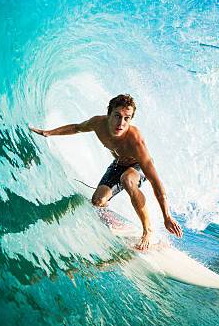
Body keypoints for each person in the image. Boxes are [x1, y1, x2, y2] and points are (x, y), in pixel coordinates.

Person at [29, 94, 182, 250]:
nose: (121, 123)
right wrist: (48, 133)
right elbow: (76, 128)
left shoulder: (136, 142)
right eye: (117, 116)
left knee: (127, 179)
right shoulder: (98, 123)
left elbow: (156, 182)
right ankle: (111, 219)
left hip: (137, 167)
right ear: (109, 114)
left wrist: (167, 216)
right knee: (97, 201)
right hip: (118, 164)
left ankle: (147, 230)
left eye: (127, 118)